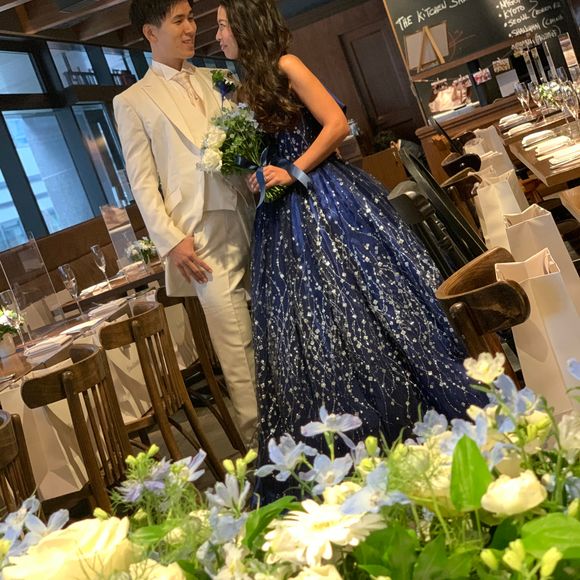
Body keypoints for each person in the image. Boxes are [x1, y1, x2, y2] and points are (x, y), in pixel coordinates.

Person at [216, 0, 487, 500]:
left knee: (363, 306)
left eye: (222, 25)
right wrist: (260, 173)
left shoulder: (287, 64)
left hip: (325, 200)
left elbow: (337, 125)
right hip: (280, 219)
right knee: (308, 328)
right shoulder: (244, 87)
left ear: (246, 27)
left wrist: (292, 169)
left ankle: (411, 430)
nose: (218, 35)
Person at [113, 0, 257, 445]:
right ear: (150, 32)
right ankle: (265, 452)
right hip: (199, 237)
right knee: (237, 351)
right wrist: (172, 241)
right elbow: (143, 183)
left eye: (192, 18)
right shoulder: (132, 101)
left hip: (252, 216)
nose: (191, 28)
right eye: (178, 20)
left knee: (277, 328)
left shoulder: (218, 78)